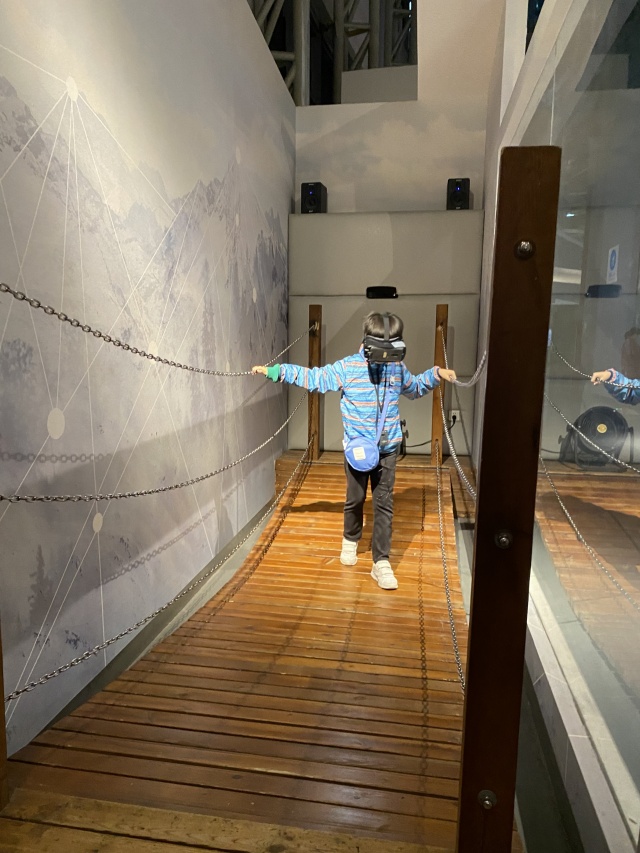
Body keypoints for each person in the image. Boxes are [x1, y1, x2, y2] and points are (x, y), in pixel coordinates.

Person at [252, 312, 456, 591]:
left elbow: (414, 388)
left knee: (384, 504)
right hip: (358, 450)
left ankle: (381, 562)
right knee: (355, 499)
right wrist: (276, 372)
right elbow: (315, 378)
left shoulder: (396, 368)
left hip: (387, 449)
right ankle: (350, 539)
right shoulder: (348, 368)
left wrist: (436, 374)